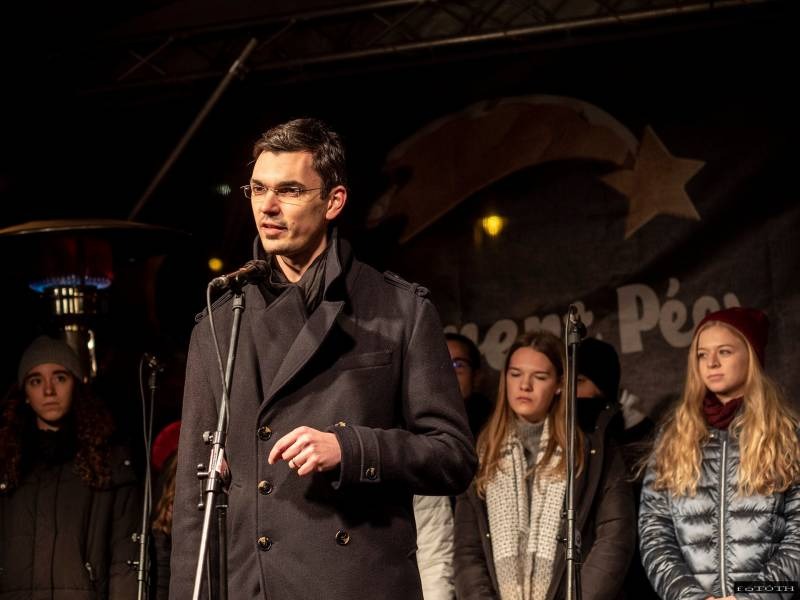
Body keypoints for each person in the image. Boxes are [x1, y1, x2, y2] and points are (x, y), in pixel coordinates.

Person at [170, 118, 476, 600]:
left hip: (357, 583)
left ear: (333, 201)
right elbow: (195, 494)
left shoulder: (399, 309)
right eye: (258, 189)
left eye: (289, 191)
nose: (267, 206)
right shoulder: (220, 321)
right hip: (254, 585)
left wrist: (351, 448)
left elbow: (453, 456)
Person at [453, 330, 635, 600]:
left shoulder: (589, 446)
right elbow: (468, 551)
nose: (525, 385)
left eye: (539, 377)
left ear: (559, 384)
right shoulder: (483, 451)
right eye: (516, 374)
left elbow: (614, 536)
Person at [639, 307, 800, 600]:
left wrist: (750, 597)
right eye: (702, 354)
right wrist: (690, 597)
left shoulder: (786, 435)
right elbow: (655, 534)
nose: (711, 363)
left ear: (751, 355)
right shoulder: (674, 437)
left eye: (724, 352)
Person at [0, 335, 141, 599]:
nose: (48, 391)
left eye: (60, 378)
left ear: (76, 384)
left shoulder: (108, 464)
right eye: (36, 381)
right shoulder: (8, 466)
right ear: (25, 394)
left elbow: (125, 561)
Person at [446, 332, 493, 438]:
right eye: (439, 364)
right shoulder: (412, 421)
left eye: (458, 365)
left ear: (476, 376)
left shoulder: (493, 427)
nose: (447, 373)